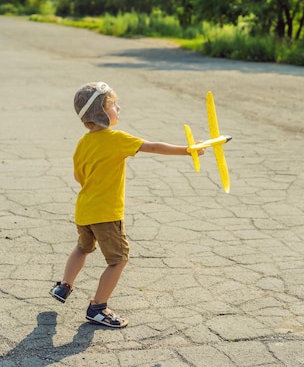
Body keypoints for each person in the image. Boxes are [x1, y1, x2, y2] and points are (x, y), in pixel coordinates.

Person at [50, 81, 204, 328]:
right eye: (113, 105)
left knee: (83, 247)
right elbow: (152, 146)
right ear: (101, 112)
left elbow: (78, 177)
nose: (118, 108)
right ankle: (98, 308)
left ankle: (64, 287)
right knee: (118, 259)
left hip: (84, 209)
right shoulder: (116, 138)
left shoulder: (82, 143)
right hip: (106, 213)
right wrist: (187, 150)